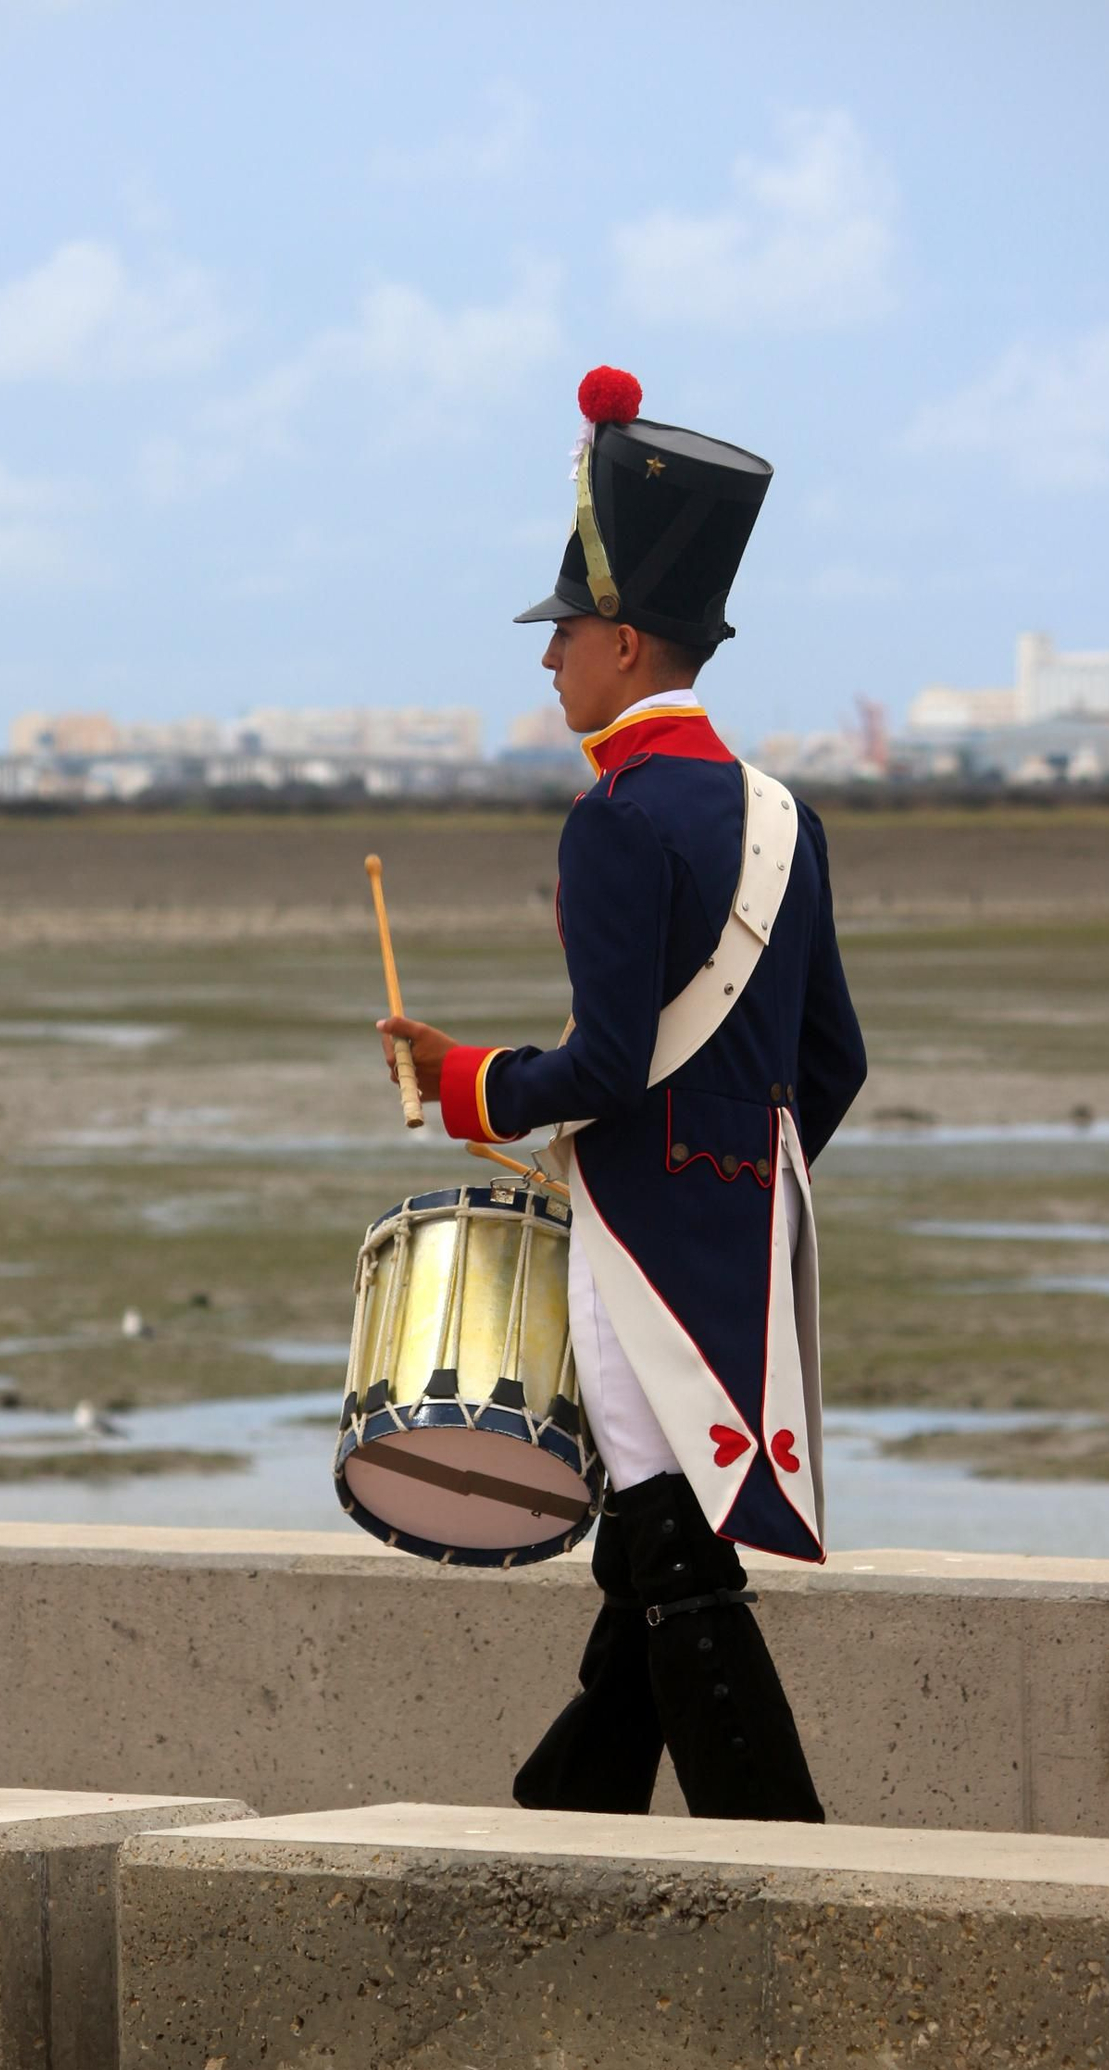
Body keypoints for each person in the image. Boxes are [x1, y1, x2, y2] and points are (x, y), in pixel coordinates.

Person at [379, 365, 867, 1824]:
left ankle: (782, 1850)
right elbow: (831, 1063)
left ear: (627, 641)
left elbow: (599, 1071)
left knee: (668, 1542)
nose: (549, 662)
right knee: (655, 1543)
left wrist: (464, 1081)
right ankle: (569, 1804)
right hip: (745, 1238)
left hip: (639, 1243)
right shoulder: (784, 817)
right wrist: (738, 1183)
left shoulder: (616, 820)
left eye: (566, 634)